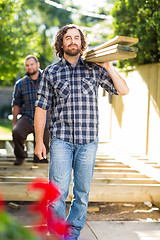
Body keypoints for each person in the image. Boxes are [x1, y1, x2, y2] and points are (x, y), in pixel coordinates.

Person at [34, 24, 129, 239]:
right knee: (56, 194)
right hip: (61, 140)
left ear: (82, 42)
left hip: (88, 142)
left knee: (82, 193)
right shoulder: (51, 72)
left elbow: (123, 90)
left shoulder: (94, 70)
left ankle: (72, 233)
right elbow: (41, 108)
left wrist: (109, 66)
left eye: (77, 37)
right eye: (68, 38)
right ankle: (57, 233)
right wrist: (39, 141)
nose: (73, 41)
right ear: (61, 43)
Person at [11, 55, 49, 166]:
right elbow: (16, 104)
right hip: (27, 117)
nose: (30, 67)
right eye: (27, 65)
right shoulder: (20, 84)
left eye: (32, 64)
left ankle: (39, 159)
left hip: (44, 118)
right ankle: (20, 156)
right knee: (16, 132)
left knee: (41, 156)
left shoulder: (47, 80)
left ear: (38, 64)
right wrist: (14, 123)